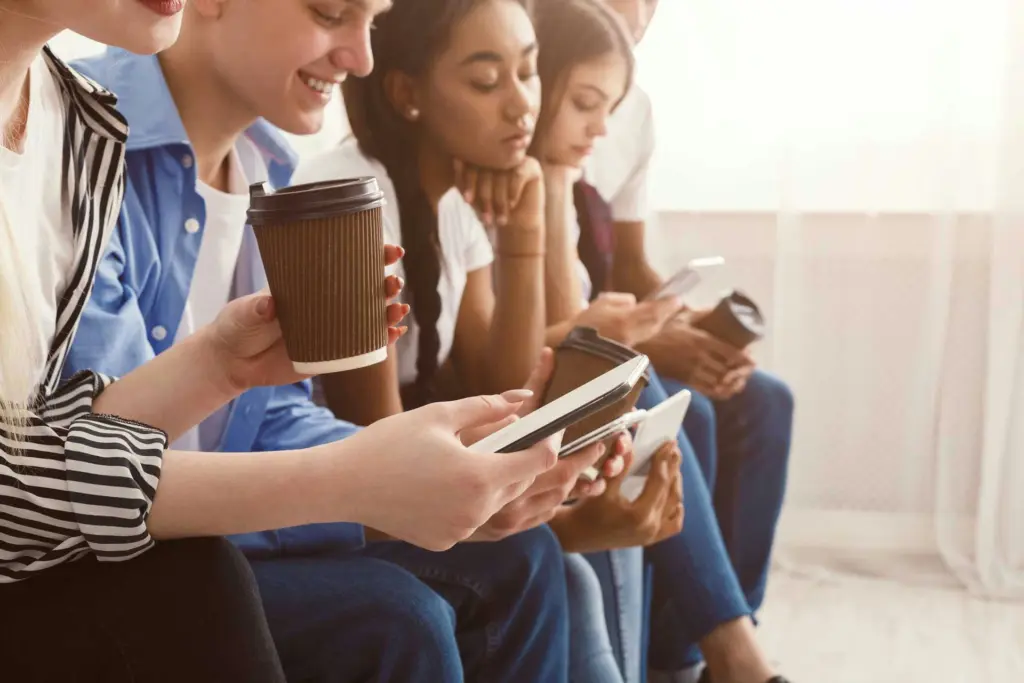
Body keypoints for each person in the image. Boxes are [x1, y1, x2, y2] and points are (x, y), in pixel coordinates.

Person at [0, 1, 571, 681]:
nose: (361, 57)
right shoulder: (105, 131)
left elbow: (64, 438)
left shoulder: (83, 121)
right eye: (331, 12)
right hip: (92, 567)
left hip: (103, 545)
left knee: (522, 557)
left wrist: (220, 367)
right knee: (327, 604)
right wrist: (357, 483)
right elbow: (35, 483)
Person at [572, 2, 796, 682]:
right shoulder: (541, 87)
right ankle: (720, 655)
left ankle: (704, 646)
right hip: (590, 337)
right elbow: (561, 306)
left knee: (763, 401)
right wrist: (653, 343)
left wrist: (689, 323)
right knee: (682, 409)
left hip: (619, 322)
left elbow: (630, 265)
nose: (634, 14)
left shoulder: (629, 109)